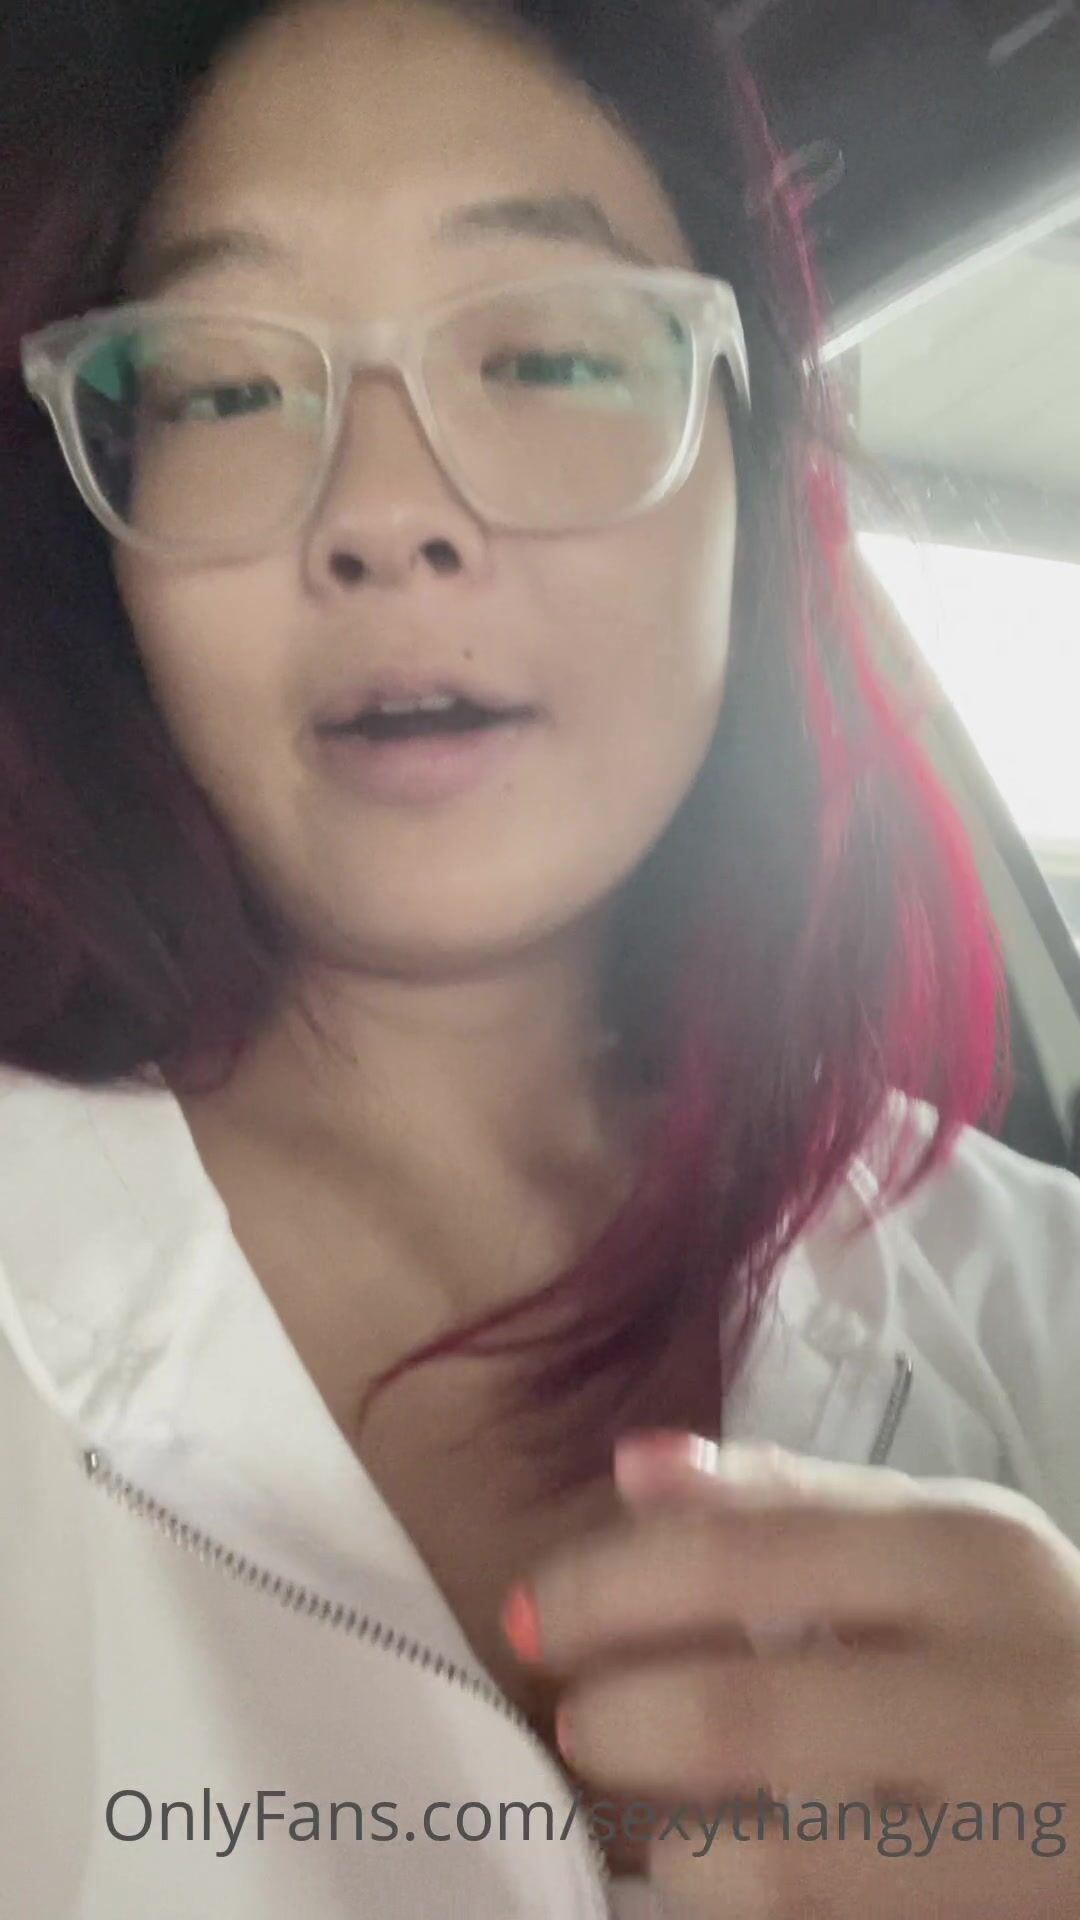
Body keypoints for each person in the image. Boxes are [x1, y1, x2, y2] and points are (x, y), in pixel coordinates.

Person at [1, 0, 1079, 1914]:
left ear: (755, 465)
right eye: (226, 390)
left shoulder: (1041, 1302)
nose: (384, 513)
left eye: (553, 354)